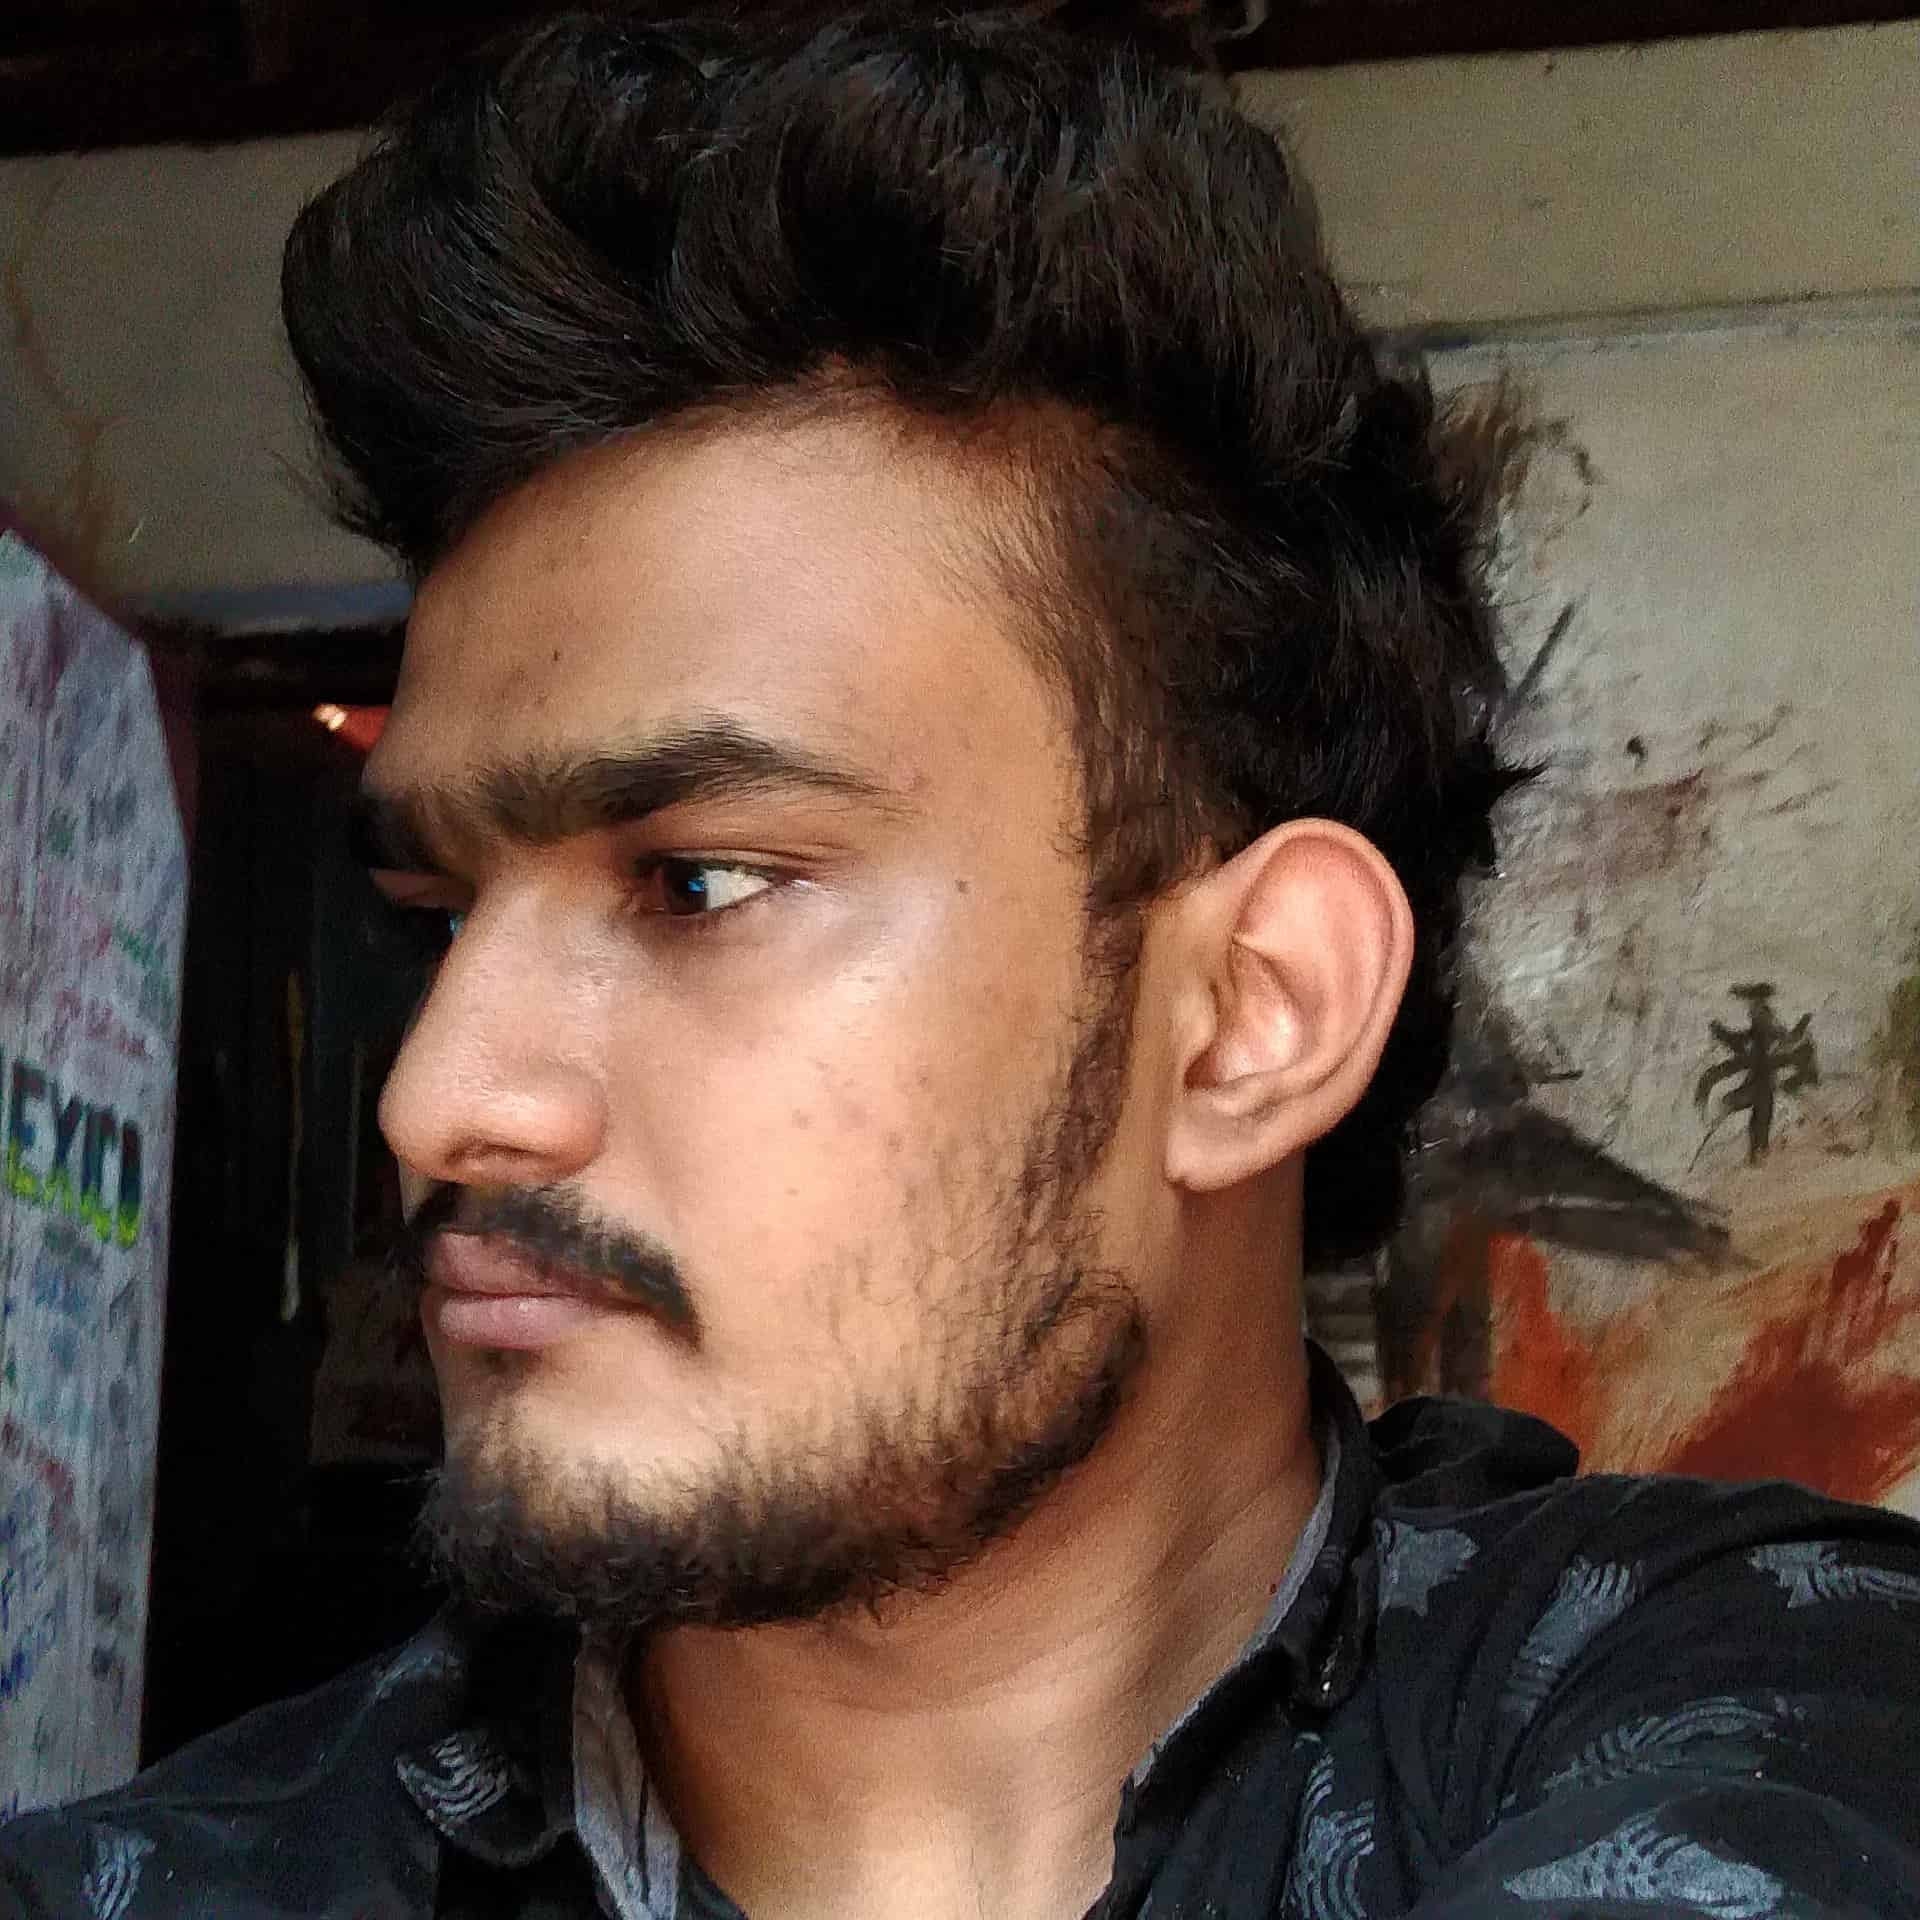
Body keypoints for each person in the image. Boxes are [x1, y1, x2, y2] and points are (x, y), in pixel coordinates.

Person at [7, 10, 1920, 1917]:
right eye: (440, 911)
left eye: (699, 883)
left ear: (1249, 1015)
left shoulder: (1752, 1701)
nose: (438, 1101)